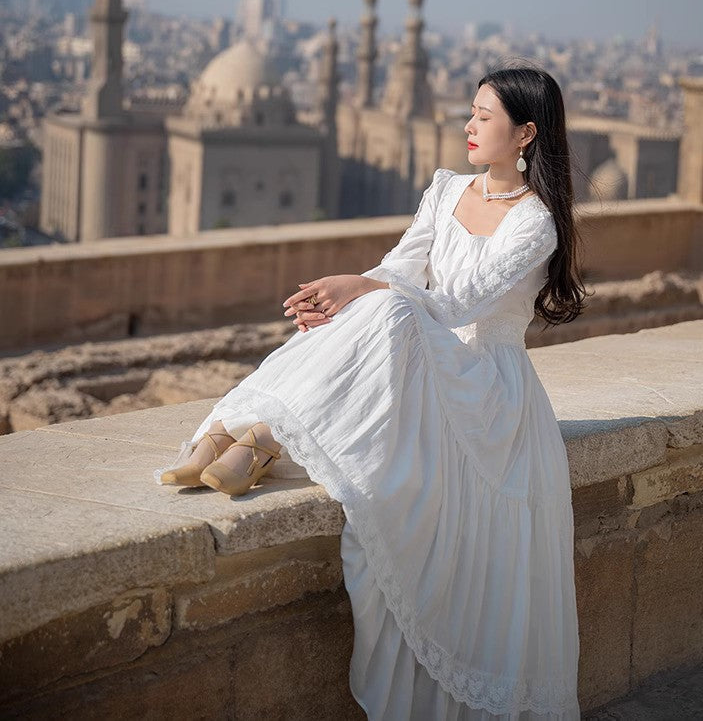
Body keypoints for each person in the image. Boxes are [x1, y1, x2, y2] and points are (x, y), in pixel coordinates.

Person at [154, 65, 588, 720]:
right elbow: (399, 267)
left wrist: (361, 290)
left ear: (525, 133)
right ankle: (239, 433)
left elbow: (453, 303)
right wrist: (345, 290)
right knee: (373, 300)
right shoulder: (445, 190)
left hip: (486, 388)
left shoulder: (536, 224)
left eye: (483, 116)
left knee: (386, 308)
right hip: (428, 355)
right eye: (468, 112)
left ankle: (257, 438)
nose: (468, 126)